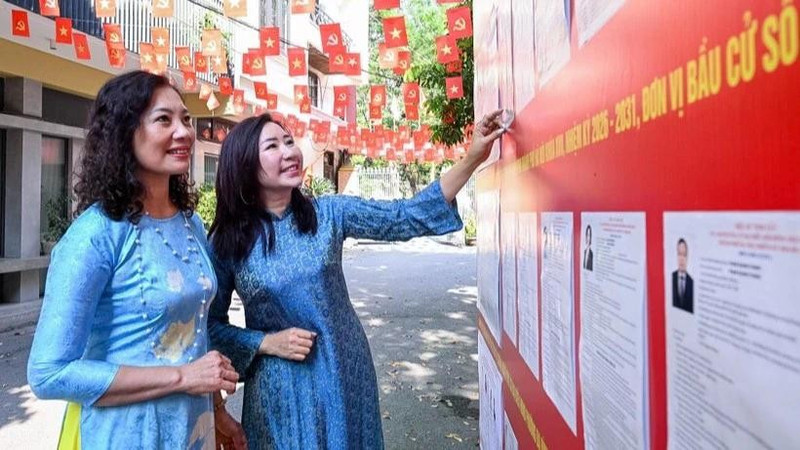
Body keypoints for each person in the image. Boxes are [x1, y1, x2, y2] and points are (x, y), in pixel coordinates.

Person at [207, 110, 506, 448]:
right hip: (279, 392)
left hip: (341, 371)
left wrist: (473, 157)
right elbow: (209, 324)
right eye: (273, 146)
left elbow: (402, 216)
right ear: (245, 165)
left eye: (289, 141)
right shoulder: (228, 242)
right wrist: (265, 342)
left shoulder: (330, 214)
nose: (289, 151)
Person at [26, 71, 246, 450]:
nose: (183, 132)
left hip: (194, 431)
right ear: (124, 133)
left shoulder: (189, 222)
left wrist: (217, 409)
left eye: (185, 119)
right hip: (128, 436)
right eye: (164, 119)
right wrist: (183, 377)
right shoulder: (95, 235)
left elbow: (193, 337)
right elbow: (49, 373)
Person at [672, 238, 694, 313]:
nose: (681, 259)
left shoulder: (691, 283)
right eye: (679, 254)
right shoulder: (672, 278)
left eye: (684, 255)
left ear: (687, 257)